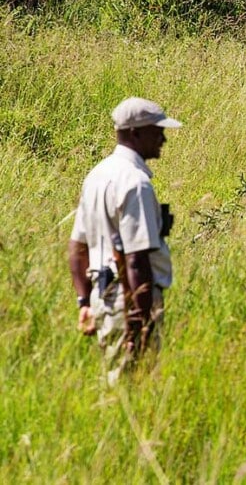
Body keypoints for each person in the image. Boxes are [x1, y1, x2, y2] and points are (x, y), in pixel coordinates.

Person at [67, 97, 181, 383]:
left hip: (102, 297)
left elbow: (77, 248)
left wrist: (84, 302)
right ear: (136, 133)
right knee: (133, 388)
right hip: (129, 301)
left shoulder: (97, 175)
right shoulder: (136, 183)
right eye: (157, 130)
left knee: (115, 381)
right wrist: (139, 324)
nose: (163, 138)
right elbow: (136, 259)